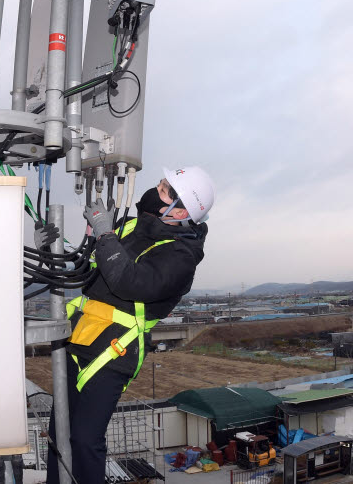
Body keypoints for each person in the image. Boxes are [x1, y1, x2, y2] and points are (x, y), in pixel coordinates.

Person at [47, 166, 215, 483]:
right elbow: (89, 270)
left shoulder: (181, 257)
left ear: (180, 210)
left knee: (84, 438)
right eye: (162, 183)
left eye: (165, 188)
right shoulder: (132, 226)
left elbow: (129, 282)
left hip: (115, 350)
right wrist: (52, 250)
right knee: (59, 432)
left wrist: (105, 233)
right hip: (80, 336)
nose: (156, 188)